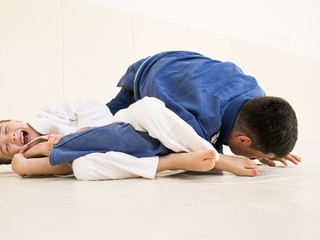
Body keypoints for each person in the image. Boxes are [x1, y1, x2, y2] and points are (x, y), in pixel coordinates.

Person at [106, 50, 301, 167]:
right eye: (258, 155)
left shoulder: (255, 91)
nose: (256, 158)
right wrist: (236, 159)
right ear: (243, 139)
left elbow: (266, 117)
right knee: (97, 128)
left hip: (179, 64)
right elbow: (197, 157)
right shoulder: (196, 125)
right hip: (141, 78)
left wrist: (271, 147)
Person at [0, 97, 223, 180]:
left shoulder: (50, 112)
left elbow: (91, 106)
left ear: (17, 121)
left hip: (126, 127)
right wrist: (33, 159)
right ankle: (174, 162)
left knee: (147, 107)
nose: (10, 137)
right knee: (82, 169)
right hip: (128, 156)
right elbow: (67, 168)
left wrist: (77, 134)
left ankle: (219, 160)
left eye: (5, 129)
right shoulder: (43, 152)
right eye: (6, 148)